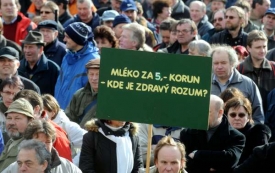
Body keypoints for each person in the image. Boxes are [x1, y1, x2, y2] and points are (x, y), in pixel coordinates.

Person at [180, 95, 245, 173]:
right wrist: (210, 166)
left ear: (220, 113)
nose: (202, 116)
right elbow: (184, 161)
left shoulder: (236, 136)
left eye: (207, 112)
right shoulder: (188, 133)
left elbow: (230, 159)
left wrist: (197, 154)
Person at [13, 89, 72, 161]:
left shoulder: (56, 135)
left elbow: (63, 167)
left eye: (23, 108)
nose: (18, 112)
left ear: (36, 109)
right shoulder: (19, 130)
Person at [210, 45, 264, 124]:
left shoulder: (247, 84)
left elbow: (258, 115)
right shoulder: (205, 83)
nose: (219, 67)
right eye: (216, 63)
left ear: (232, 63)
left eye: (223, 63)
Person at [3, 119, 82, 173]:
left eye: (48, 142)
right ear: (28, 143)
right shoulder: (15, 168)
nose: (44, 146)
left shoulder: (67, 167)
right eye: (39, 142)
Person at [55, 22, 99, 110]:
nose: (64, 40)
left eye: (67, 37)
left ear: (77, 39)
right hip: (60, 111)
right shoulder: (67, 56)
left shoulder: (93, 60)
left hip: (77, 115)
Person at [42, 94, 87, 165]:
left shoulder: (68, 126)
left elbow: (90, 143)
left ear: (53, 112)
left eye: (43, 111)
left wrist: (73, 164)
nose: (40, 114)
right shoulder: (38, 125)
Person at [224, 96, 271, 165]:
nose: (237, 118)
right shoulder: (222, 133)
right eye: (233, 115)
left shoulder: (258, 132)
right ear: (227, 116)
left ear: (248, 117)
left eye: (241, 115)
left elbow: (260, 159)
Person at [237, 30, 275, 114]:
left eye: (264, 47)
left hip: (271, 118)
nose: (262, 50)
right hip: (246, 118)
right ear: (248, 48)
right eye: (258, 47)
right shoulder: (239, 69)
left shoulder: (273, 68)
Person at [18, 31, 60, 95]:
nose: (27, 51)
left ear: (40, 49)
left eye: (30, 47)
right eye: (25, 47)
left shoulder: (53, 69)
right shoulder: (18, 67)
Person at [0, 98, 34, 172]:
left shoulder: (32, 146)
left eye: (17, 118)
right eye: (9, 118)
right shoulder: (12, 140)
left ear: (30, 121)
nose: (11, 123)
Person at [65, 58, 99, 127]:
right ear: (87, 74)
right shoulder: (79, 94)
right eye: (91, 74)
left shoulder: (110, 97)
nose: (94, 78)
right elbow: (68, 119)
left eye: (98, 74)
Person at [0, 76, 24, 144]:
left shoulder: (25, 113)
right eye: (7, 93)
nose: (11, 97)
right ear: (1, 92)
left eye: (15, 94)